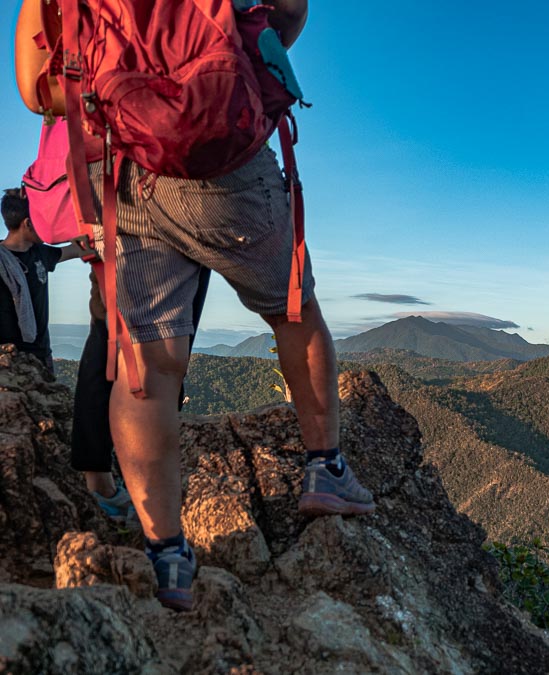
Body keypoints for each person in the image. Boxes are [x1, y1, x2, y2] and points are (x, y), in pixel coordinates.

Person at [16, 0, 369, 613]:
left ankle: (168, 556)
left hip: (120, 164)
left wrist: (126, 91)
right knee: (292, 308)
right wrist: (212, 75)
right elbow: (286, 10)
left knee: (147, 364)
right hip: (221, 157)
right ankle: (325, 469)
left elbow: (35, 88)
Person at [72, 268, 211, 526]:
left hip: (126, 236)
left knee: (114, 335)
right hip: (162, 236)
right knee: (125, 341)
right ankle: (127, 486)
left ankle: (118, 483)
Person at [0, 187, 84, 374]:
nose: (47, 226)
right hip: (8, 360)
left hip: (41, 356)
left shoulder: (41, 254)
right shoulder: (1, 262)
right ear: (28, 223)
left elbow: (78, 249)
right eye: (42, 219)